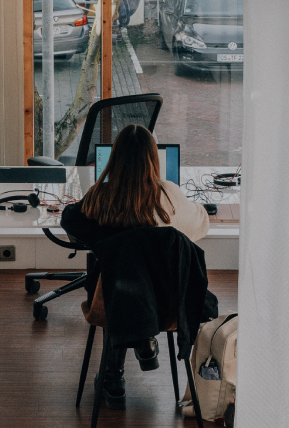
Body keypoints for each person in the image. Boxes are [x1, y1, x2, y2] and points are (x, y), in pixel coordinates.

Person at [60, 123, 210, 409]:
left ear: (114, 157)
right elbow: (201, 223)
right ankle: (143, 341)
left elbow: (70, 221)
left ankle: (113, 379)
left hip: (110, 302)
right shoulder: (169, 196)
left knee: (117, 281)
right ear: (154, 159)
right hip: (165, 305)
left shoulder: (98, 198)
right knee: (135, 283)